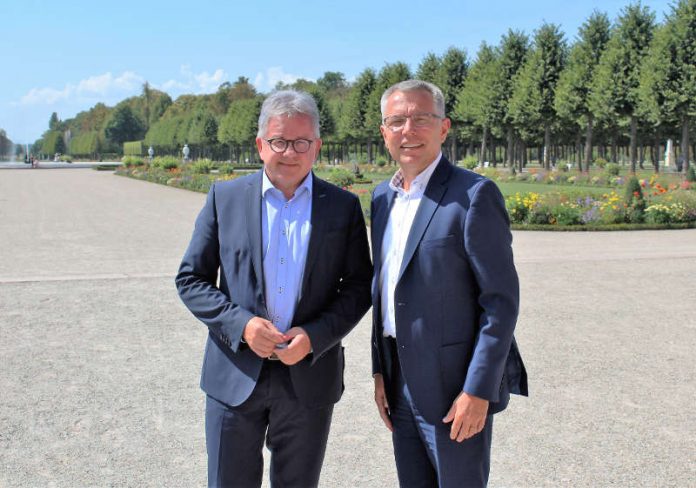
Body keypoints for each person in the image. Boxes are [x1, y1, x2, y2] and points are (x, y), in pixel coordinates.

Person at [176, 90, 372, 488]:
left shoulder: (342, 207)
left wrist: (314, 337)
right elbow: (191, 279)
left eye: (301, 142)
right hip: (234, 374)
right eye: (279, 141)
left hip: (308, 376)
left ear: (316, 146)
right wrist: (243, 326)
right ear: (260, 144)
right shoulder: (224, 198)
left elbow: (357, 288)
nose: (290, 152)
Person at [370, 80, 528, 487]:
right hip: (399, 378)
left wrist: (479, 390)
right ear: (384, 132)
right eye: (397, 121)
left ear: (444, 128)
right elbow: (385, 288)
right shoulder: (381, 199)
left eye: (422, 119)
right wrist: (379, 372)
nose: (409, 130)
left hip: (455, 390)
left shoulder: (474, 195)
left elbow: (500, 302)